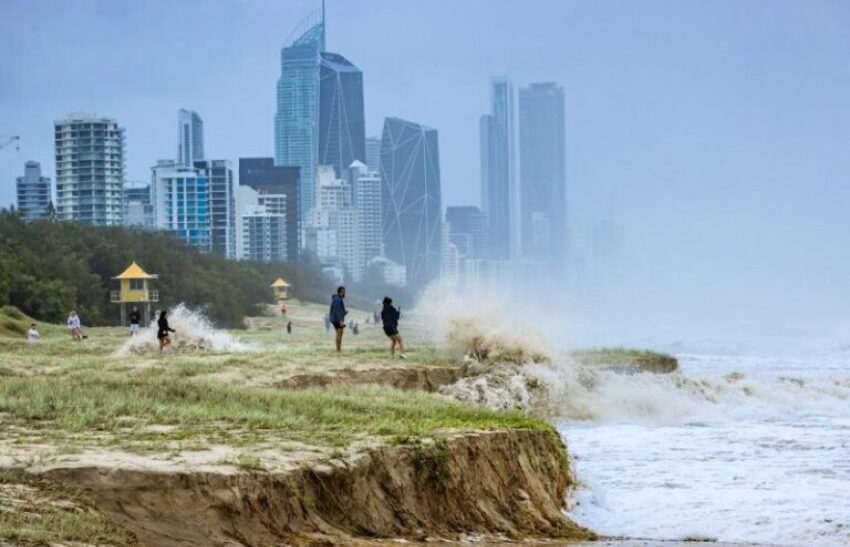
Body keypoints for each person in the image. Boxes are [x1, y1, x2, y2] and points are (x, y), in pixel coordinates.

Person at [329, 286, 347, 353]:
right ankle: (338, 349)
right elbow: (336, 311)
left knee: (339, 333)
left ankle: (338, 349)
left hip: (336, 318)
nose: (345, 293)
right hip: (337, 319)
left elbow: (338, 310)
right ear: (341, 291)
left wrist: (344, 312)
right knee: (339, 333)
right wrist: (340, 320)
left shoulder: (337, 298)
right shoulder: (337, 299)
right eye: (344, 291)